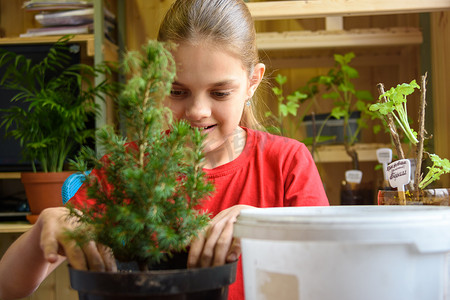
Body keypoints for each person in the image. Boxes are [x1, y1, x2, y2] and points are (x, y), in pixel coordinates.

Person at [0, 0, 329, 299]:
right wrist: (45, 227)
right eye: (177, 90)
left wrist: (263, 224)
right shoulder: (130, 166)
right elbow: (7, 287)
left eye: (219, 93)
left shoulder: (287, 163)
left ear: (252, 82)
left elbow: (330, 273)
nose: (197, 111)